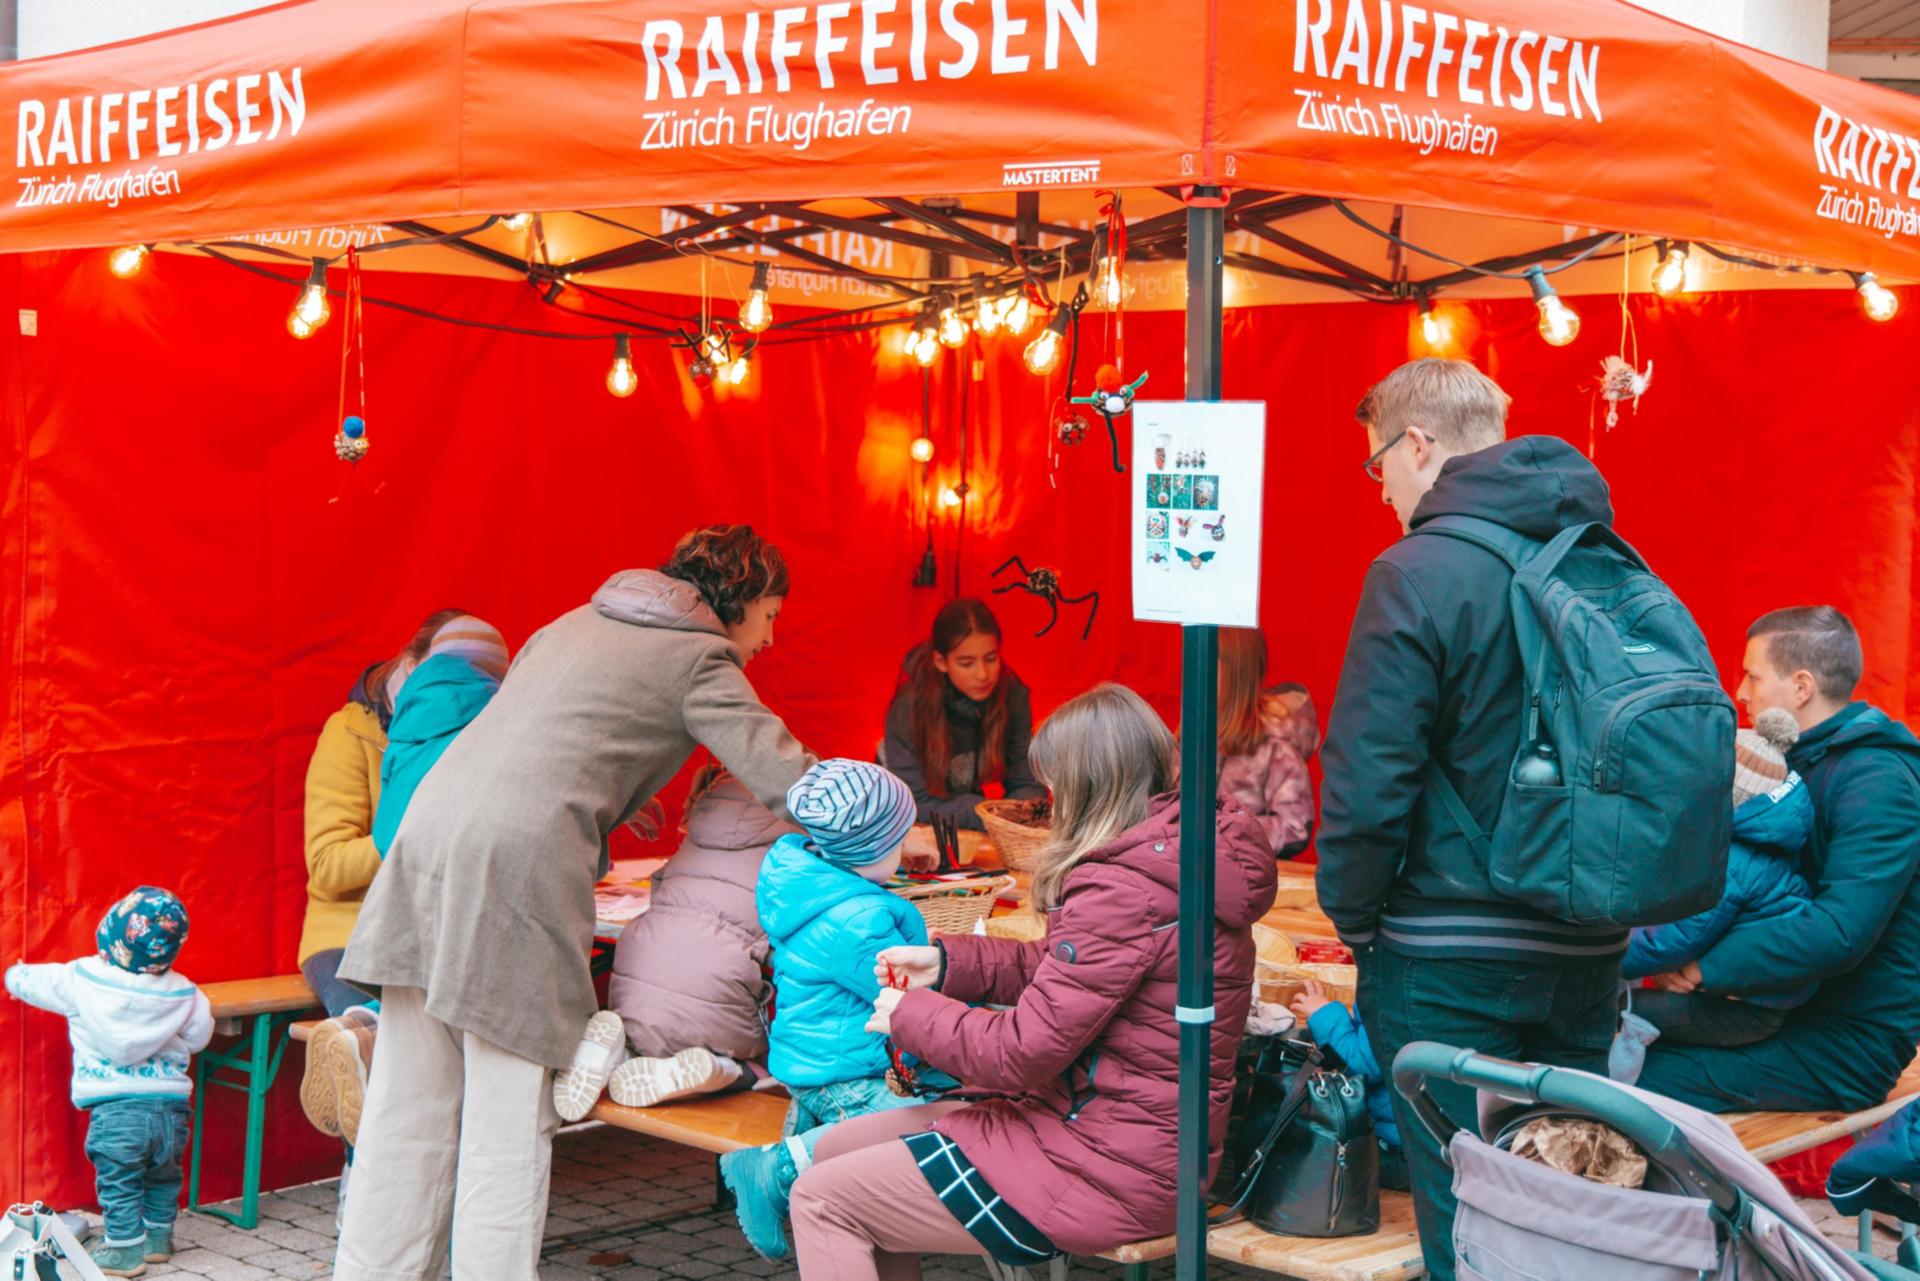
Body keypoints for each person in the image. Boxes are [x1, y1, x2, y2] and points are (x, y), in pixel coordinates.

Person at [332, 525, 816, 1281]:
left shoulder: (569, 622)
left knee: (407, 1109)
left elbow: (541, 748)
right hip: (514, 875)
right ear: (743, 597)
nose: (772, 635)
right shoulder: (700, 655)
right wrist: (881, 820)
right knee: (505, 1117)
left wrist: (614, 802)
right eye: (772, 613)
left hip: (429, 848)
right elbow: (786, 776)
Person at [787, 684, 1278, 1279]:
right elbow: (1066, 972)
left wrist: (911, 1013)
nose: (1048, 799)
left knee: (820, 1198)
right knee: (839, 1153)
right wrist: (949, 964)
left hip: (1102, 1165)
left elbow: (1019, 1053)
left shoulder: (1124, 887)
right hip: (1104, 1136)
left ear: (1086, 787)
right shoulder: (1177, 857)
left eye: (1055, 785)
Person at [1316, 358, 1627, 1281]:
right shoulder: (1605, 556)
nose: (1381, 491)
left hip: (1446, 948)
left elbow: (1369, 777)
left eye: (1378, 465)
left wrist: (1356, 917)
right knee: (1570, 1211)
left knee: (1470, 1226)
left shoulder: (1415, 568)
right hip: (1589, 943)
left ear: (1419, 444)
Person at [1636, 606, 1920, 1113]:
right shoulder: (1786, 765)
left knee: (1620, 1083)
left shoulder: (1879, 781)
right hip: (1763, 1007)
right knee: (1586, 1041)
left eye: (1752, 674)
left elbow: (1840, 932)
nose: (1740, 692)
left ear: (1802, 687)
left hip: (1839, 1045)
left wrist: (1707, 966)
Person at [718, 759, 932, 1261]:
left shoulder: (814, 887)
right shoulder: (858, 920)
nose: (903, 854)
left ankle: (799, 1157)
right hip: (851, 1073)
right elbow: (908, 1000)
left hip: (820, 1060)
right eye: (898, 842)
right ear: (871, 848)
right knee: (939, 1128)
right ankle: (777, 1167)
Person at [296, 607, 475, 1167]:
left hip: (441, 935)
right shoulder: (349, 733)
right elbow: (326, 864)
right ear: (409, 661)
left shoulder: (470, 728)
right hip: (351, 937)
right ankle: (366, 1183)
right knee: (385, 1059)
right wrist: (408, 836)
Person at [552, 766, 799, 1122]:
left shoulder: (696, 835)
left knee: (656, 1029)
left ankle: (617, 1053)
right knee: (754, 1064)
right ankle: (715, 1069)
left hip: (636, 977)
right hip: (717, 992)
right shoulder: (794, 849)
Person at [5, 888, 213, 1278]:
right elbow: (200, 1036)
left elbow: (36, 981)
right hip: (170, 1107)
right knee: (163, 1175)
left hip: (116, 1110)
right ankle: (157, 1239)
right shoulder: (185, 990)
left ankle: (122, 1249)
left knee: (119, 1180)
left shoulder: (82, 978)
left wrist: (14, 975)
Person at [1613, 708, 1815, 1076]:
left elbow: (1670, 942)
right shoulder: (1748, 843)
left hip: (1747, 1011)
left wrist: (1597, 952)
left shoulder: (1733, 864)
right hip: (1745, 993)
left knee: (1614, 1009)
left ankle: (1609, 1092)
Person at [880, 598, 1044, 830]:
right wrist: (988, 812)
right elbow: (911, 802)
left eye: (991, 658)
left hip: (973, 818)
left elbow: (1027, 781)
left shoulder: (1012, 695)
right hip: (913, 826)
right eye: (966, 663)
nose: (983, 674)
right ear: (941, 661)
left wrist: (1024, 812)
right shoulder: (910, 707)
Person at [1291, 979, 1408, 1191]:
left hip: (1400, 1155)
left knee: (1308, 1155)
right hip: (1443, 1149)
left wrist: (1323, 1013)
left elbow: (1359, 1064)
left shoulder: (1390, 987)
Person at [1215, 627, 1319, 859]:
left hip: (1248, 876)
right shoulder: (1190, 735)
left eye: (1213, 661)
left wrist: (1222, 833)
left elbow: (1294, 826)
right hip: (1187, 871)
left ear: (1237, 670)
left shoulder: (1275, 744)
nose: (1196, 670)